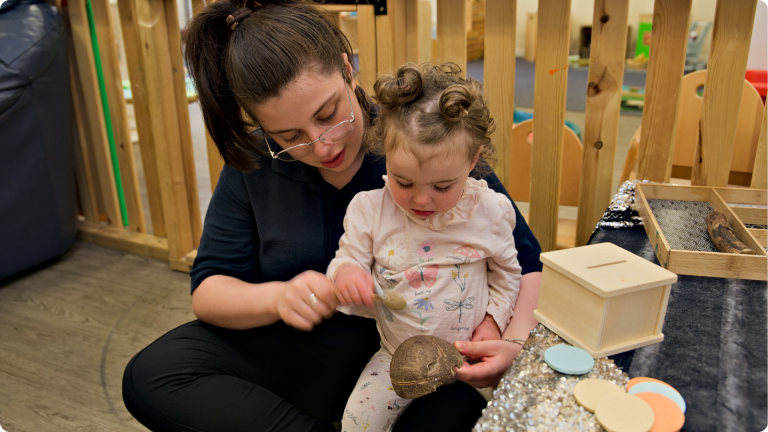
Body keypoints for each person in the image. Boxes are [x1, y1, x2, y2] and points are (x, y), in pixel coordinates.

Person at [121, 1, 542, 431]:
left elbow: (526, 264)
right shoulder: (255, 163)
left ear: (347, 70)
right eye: (289, 137)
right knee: (152, 375)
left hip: (410, 355)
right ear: (263, 129)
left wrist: (511, 342)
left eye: (327, 115)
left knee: (456, 410)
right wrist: (279, 298)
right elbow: (210, 288)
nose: (322, 147)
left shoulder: (418, 143)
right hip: (298, 354)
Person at [328, 62, 523, 431]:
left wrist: (495, 323)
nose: (421, 199)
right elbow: (345, 259)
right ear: (384, 148)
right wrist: (347, 273)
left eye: (442, 187)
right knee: (356, 422)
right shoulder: (370, 209)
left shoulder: (491, 212)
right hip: (395, 357)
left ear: (473, 158)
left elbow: (509, 275)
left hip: (471, 358)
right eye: (403, 181)